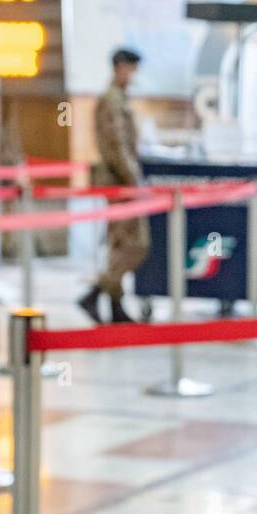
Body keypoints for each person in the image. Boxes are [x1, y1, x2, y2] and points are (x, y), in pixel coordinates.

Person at [79, 47, 150, 324]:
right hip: (119, 183)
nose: (133, 75)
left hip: (121, 181)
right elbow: (116, 145)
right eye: (131, 68)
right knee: (134, 244)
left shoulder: (119, 98)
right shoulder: (111, 99)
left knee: (120, 246)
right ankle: (96, 291)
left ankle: (113, 303)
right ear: (120, 67)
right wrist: (133, 181)